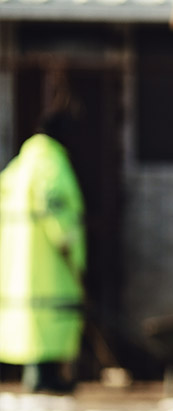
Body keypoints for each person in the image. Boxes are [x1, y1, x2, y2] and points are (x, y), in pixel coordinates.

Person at [0, 113, 86, 393]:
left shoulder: (21, 164)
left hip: (19, 259)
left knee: (32, 317)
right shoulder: (50, 163)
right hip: (48, 261)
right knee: (50, 316)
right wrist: (67, 243)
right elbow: (56, 206)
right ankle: (43, 378)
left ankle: (37, 376)